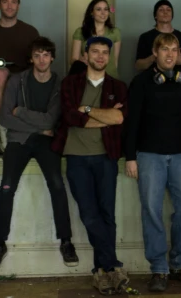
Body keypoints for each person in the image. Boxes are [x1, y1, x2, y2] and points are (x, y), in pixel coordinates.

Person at [0, 37, 78, 273]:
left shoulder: (59, 82)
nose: (42, 59)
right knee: (6, 187)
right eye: (37, 55)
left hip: (47, 141)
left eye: (46, 55)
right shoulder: (17, 80)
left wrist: (23, 113)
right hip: (18, 140)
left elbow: (52, 120)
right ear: (31, 58)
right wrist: (38, 126)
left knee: (57, 185)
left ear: (52, 57)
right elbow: (6, 118)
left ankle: (66, 241)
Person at [124, 33, 181, 291]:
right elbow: (132, 121)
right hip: (149, 155)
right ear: (155, 53)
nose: (170, 55)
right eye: (165, 50)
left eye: (174, 50)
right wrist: (130, 156)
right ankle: (159, 269)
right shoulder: (141, 82)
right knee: (151, 210)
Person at [53, 36, 130, 295]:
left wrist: (86, 108)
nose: (100, 56)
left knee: (107, 214)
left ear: (109, 57)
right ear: (85, 56)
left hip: (106, 156)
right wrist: (102, 116)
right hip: (76, 157)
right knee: (89, 214)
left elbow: (119, 117)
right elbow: (70, 117)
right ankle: (113, 265)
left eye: (104, 52)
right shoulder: (70, 83)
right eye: (95, 52)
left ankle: (101, 272)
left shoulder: (118, 86)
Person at [134, 0, 181, 72]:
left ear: (172, 15)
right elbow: (138, 66)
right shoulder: (145, 37)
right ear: (155, 16)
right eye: (161, 10)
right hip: (152, 80)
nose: (165, 12)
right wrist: (153, 58)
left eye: (168, 10)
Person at [71, 0, 122, 79]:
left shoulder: (115, 32)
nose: (103, 13)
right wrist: (81, 60)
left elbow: (115, 60)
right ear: (92, 12)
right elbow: (74, 59)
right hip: (88, 77)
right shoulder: (80, 32)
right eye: (98, 9)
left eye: (106, 9)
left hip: (110, 76)